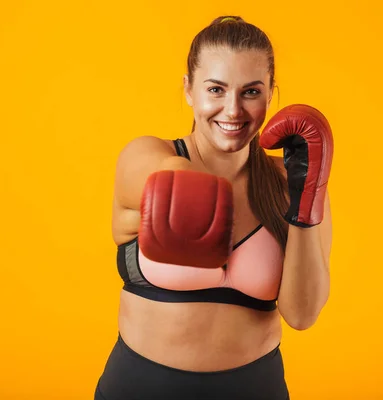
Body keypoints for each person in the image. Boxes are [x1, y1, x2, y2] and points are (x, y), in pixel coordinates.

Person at [94, 15, 334, 400]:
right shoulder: (148, 156)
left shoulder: (289, 185)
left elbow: (302, 315)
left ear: (271, 93)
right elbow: (171, 185)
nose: (233, 110)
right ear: (189, 90)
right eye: (216, 89)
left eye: (251, 92)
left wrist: (307, 199)